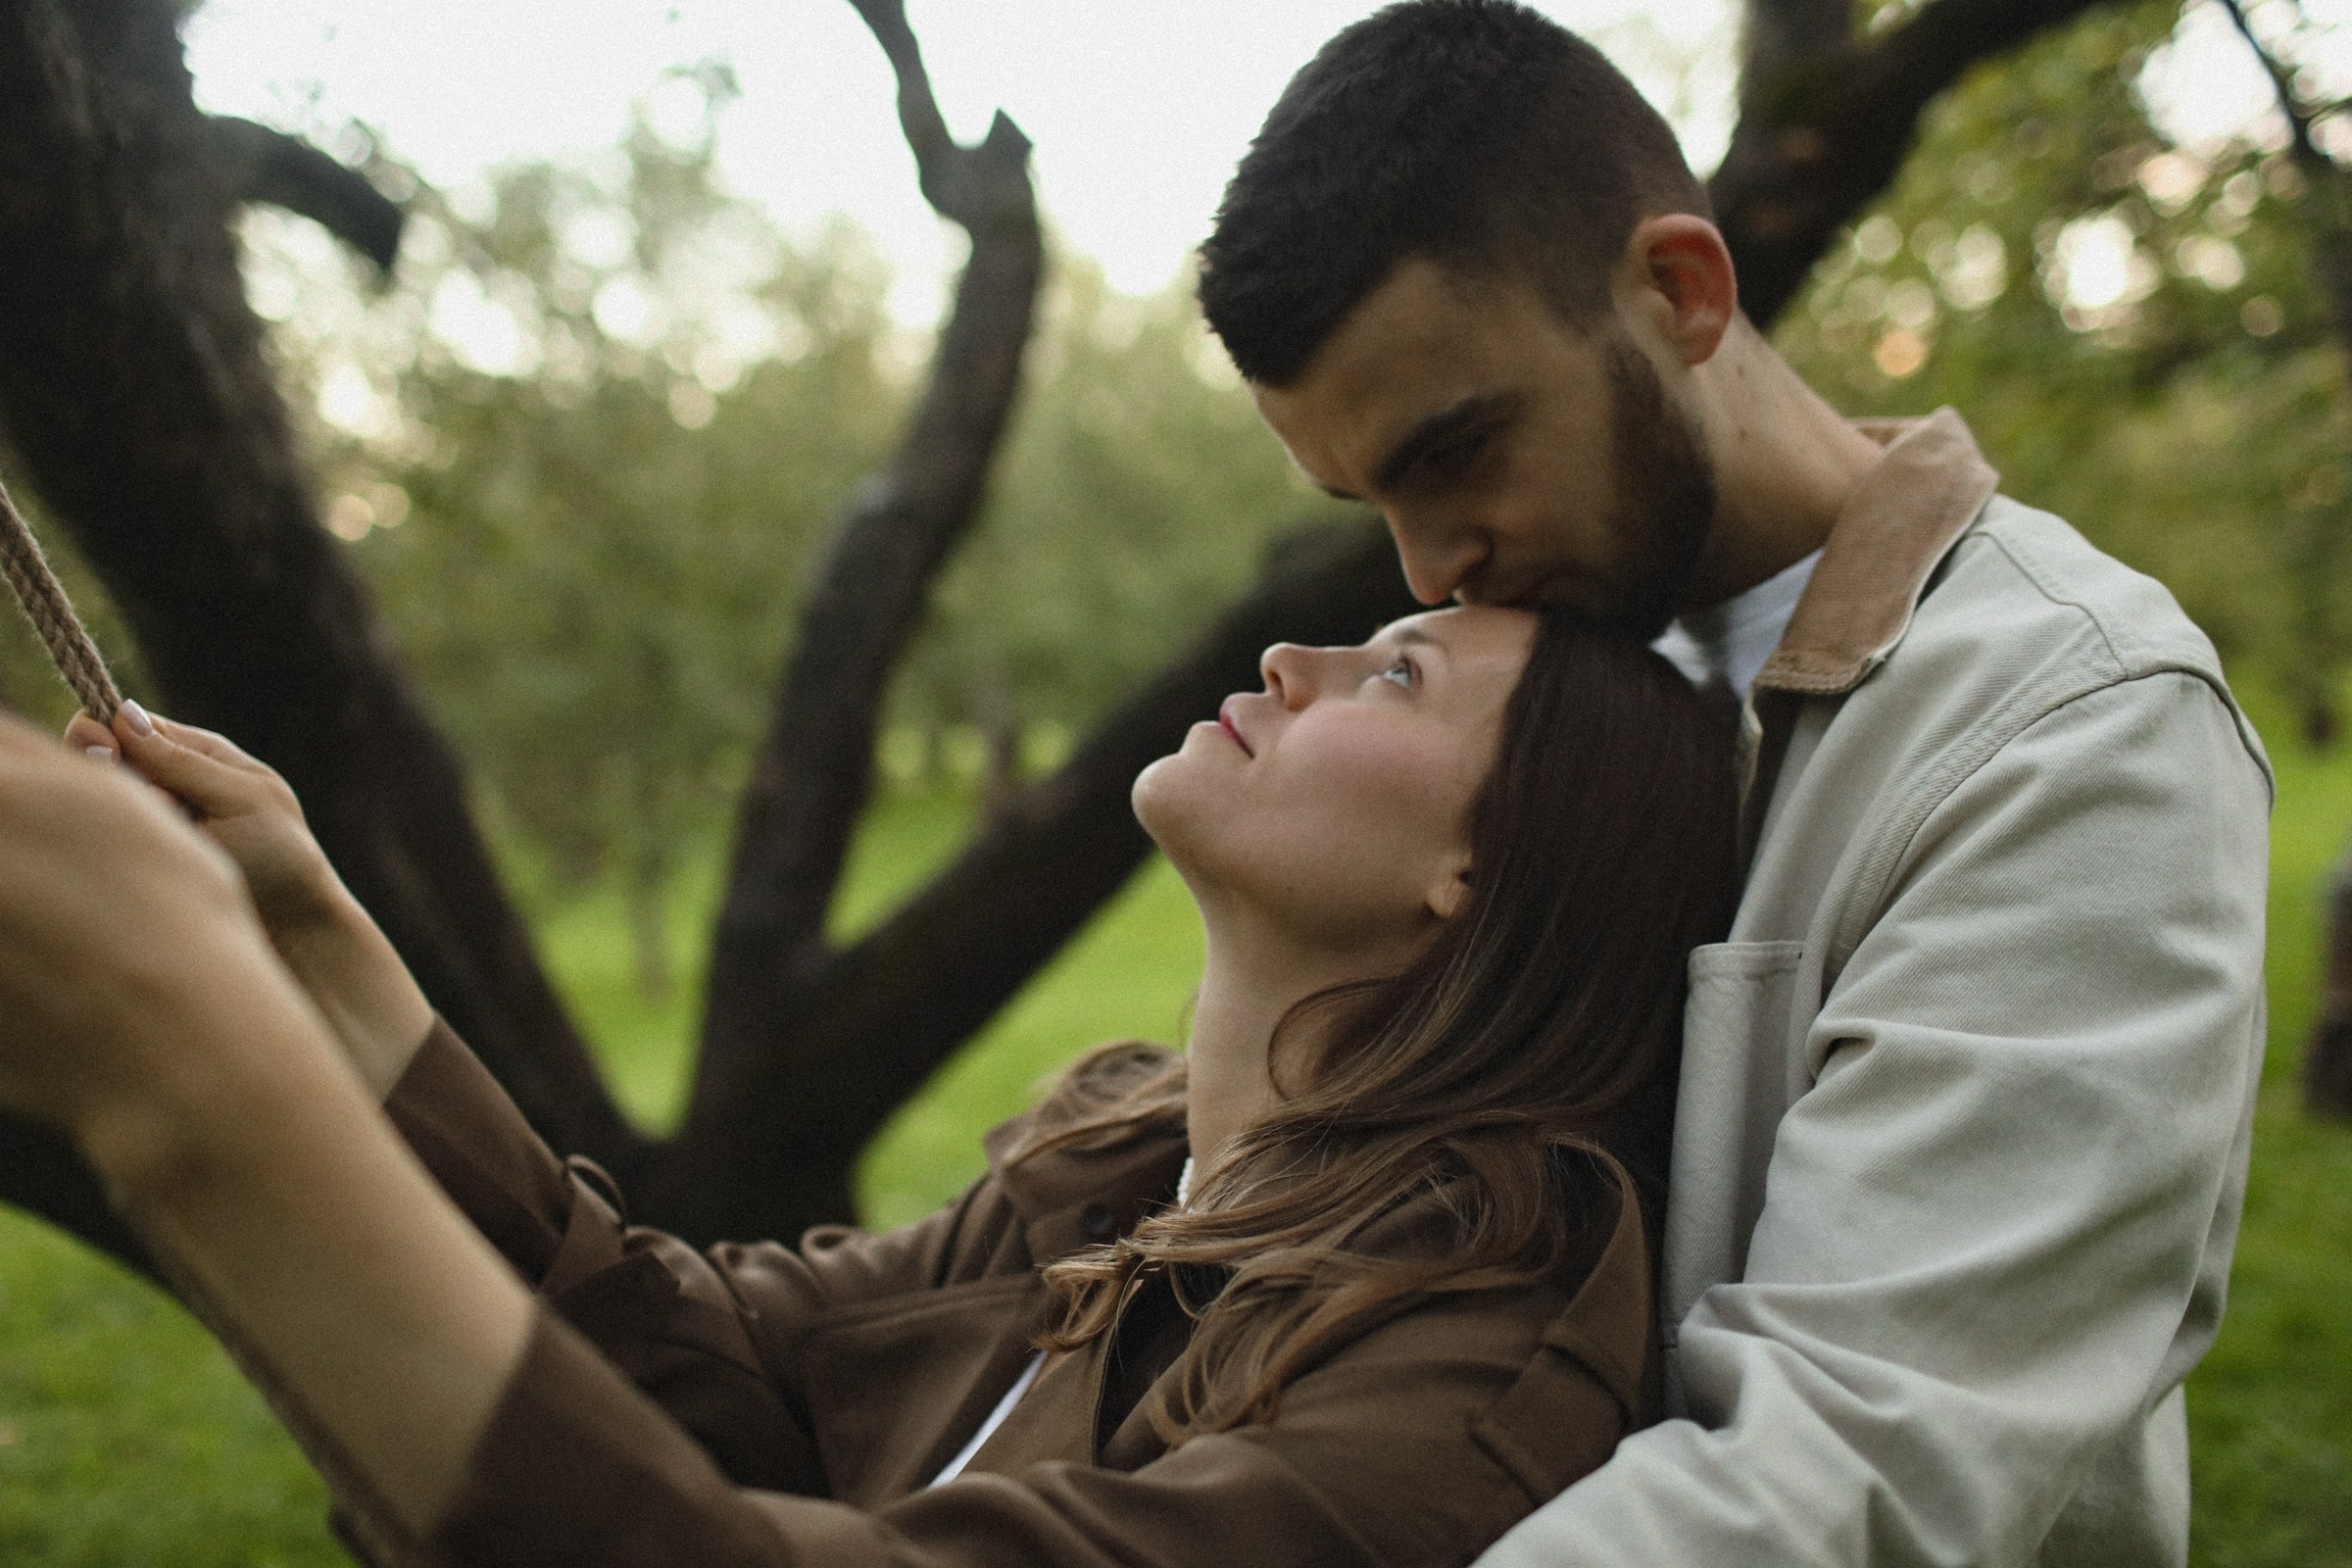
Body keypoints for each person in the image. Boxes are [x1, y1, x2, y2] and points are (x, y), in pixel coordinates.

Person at [1191, 4, 2274, 1565]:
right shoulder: (1548, 679)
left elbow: (1857, 1463)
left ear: (1681, 292)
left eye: (1459, 449)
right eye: (1369, 502)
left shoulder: (2072, 724)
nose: (1428, 568)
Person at [0, 604, 1738, 1566]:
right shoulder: (1130, 1164)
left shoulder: (1464, 1366)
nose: (1296, 657)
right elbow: (699, 1359)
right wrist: (310, 928)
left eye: (1398, 674)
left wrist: (204, 1081)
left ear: (1483, 877)